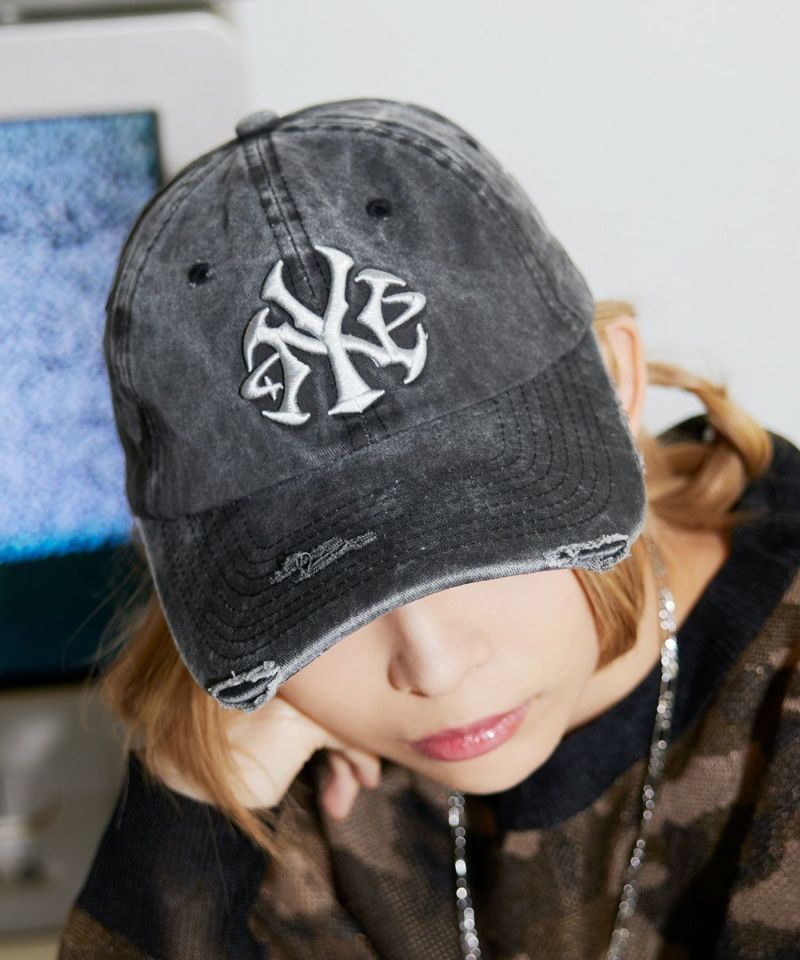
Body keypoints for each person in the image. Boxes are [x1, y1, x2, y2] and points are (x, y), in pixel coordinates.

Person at [58, 98, 799, 960]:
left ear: (616, 388)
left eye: (482, 543)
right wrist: (191, 813)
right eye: (318, 587)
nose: (435, 667)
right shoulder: (270, 760)